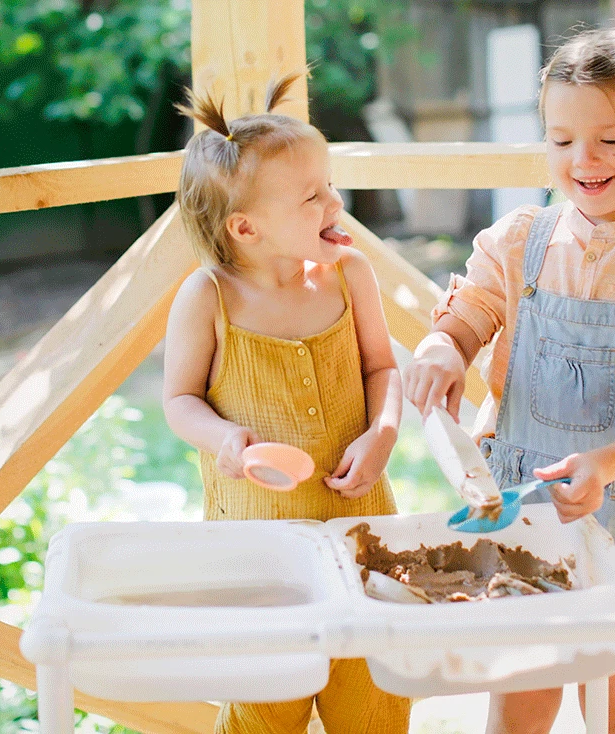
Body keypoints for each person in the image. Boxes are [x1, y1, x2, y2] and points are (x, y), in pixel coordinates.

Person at [403, 28, 615, 733]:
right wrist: (441, 350)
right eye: (561, 140)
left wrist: (604, 465)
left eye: (611, 141)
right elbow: (469, 315)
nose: (583, 160)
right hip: (520, 513)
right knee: (521, 691)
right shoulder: (520, 239)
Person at [162, 73, 410, 734]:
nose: (334, 200)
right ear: (246, 228)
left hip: (361, 538)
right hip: (257, 554)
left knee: (374, 697)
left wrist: (383, 432)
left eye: (329, 184)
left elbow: (384, 368)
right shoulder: (208, 298)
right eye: (312, 196)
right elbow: (180, 400)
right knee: (264, 707)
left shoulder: (349, 275)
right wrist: (225, 442)